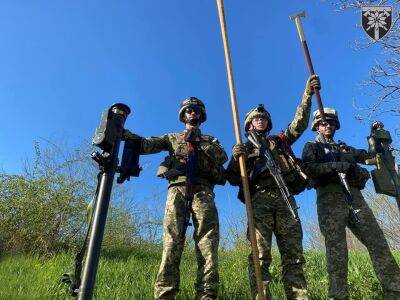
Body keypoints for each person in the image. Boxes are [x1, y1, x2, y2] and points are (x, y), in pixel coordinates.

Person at [123, 97, 227, 300]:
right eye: (188, 110)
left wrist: (199, 141)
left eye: (196, 110)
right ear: (183, 114)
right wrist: (125, 134)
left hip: (203, 190)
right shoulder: (172, 137)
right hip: (176, 190)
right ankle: (165, 295)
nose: (192, 113)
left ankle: (207, 295)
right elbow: (145, 145)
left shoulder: (211, 140)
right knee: (171, 243)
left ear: (201, 114)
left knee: (207, 245)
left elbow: (222, 157)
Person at [226, 75, 320, 299]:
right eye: (256, 118)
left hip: (285, 198)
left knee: (294, 256)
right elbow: (230, 177)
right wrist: (235, 157)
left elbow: (299, 125)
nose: (260, 120)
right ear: (249, 124)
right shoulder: (243, 147)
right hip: (259, 200)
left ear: (268, 123)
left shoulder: (279, 141)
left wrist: (307, 95)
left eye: (263, 118)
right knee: (259, 257)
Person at [301, 108, 400, 300]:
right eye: (322, 122)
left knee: (377, 242)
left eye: (330, 122)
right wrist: (333, 166)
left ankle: (395, 290)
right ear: (316, 126)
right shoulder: (311, 147)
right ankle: (339, 296)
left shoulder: (344, 149)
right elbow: (308, 168)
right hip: (329, 199)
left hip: (355, 198)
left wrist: (376, 137)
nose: (327, 125)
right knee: (337, 251)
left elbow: (370, 157)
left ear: (335, 125)